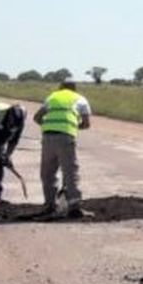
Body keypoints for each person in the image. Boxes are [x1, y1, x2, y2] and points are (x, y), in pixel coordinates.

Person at [34, 77, 92, 218]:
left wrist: (51, 126)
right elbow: (86, 124)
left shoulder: (52, 97)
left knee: (48, 173)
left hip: (47, 137)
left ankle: (49, 205)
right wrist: (72, 126)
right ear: (75, 88)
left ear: (60, 87)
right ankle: (74, 208)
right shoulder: (80, 99)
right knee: (70, 172)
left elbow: (37, 118)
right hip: (65, 137)